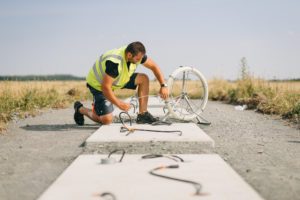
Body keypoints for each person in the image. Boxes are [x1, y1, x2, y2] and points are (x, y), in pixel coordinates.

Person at [74, 41, 169, 125]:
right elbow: (105, 88)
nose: (139, 61)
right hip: (98, 85)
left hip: (119, 79)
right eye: (137, 59)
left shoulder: (137, 55)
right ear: (129, 55)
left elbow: (154, 66)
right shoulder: (114, 63)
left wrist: (163, 85)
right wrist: (120, 104)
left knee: (143, 78)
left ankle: (143, 114)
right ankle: (80, 109)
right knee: (107, 120)